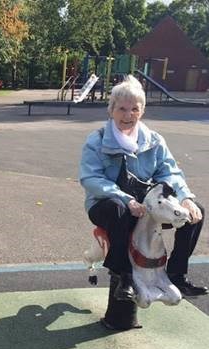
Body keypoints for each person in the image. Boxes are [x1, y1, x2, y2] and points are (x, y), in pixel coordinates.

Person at [79, 74, 207, 302]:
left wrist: (185, 197)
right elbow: (91, 179)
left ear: (142, 111)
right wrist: (125, 198)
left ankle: (177, 274)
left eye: (134, 110)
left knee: (195, 211)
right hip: (105, 204)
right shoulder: (97, 141)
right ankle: (124, 276)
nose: (128, 116)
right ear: (111, 110)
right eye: (122, 109)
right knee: (119, 210)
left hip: (147, 206)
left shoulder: (154, 141)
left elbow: (169, 172)